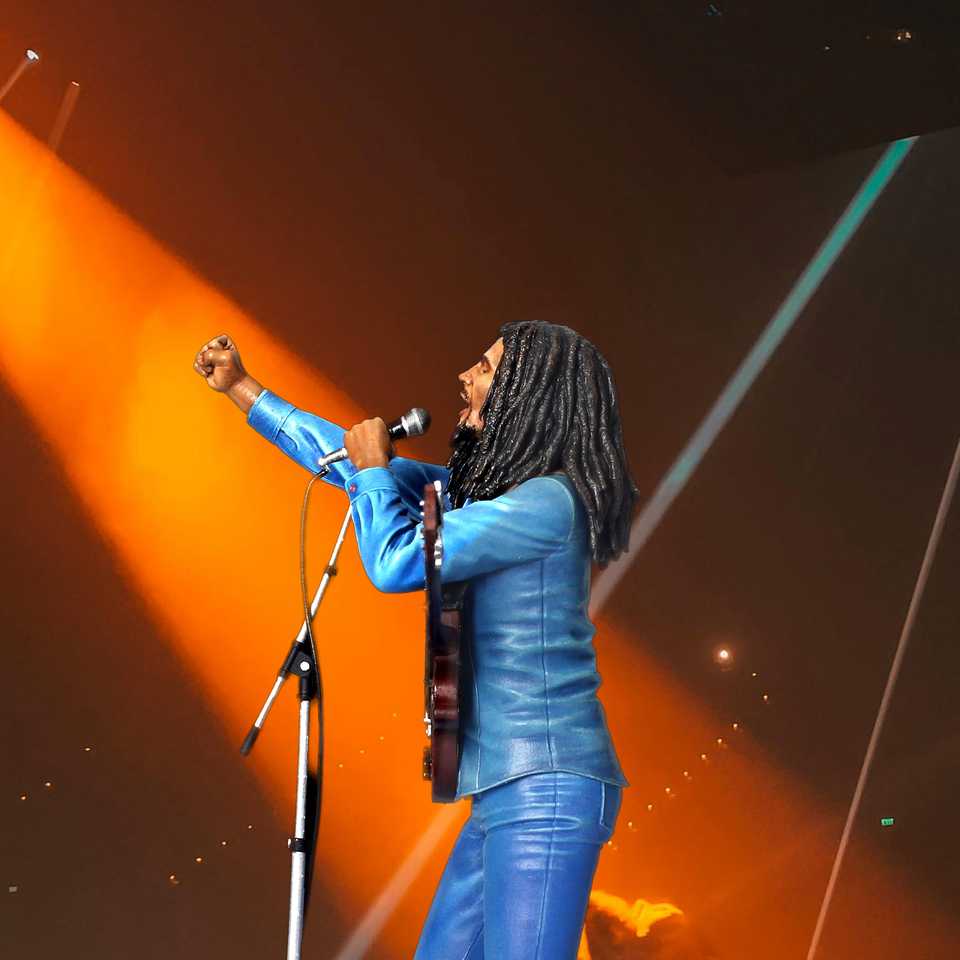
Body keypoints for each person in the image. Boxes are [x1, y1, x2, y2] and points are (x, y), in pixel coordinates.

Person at [194, 320, 638, 960]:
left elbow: (396, 561)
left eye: (485, 369)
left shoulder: (549, 503)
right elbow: (349, 463)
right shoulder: (485, 497)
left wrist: (376, 471)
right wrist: (244, 389)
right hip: (503, 791)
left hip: (545, 787)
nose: (464, 376)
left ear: (530, 395)